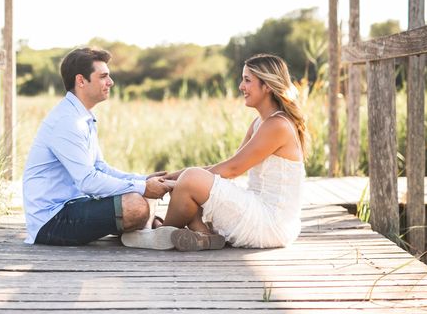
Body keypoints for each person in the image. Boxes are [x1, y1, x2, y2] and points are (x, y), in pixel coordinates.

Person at [125, 53, 307, 251]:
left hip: (270, 223)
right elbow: (224, 167)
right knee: (193, 179)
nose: (241, 86)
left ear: (268, 86)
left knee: (192, 178)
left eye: (247, 80)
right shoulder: (260, 123)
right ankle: (203, 234)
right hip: (259, 212)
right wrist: (170, 177)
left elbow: (233, 169)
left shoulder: (277, 125)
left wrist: (180, 181)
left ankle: (159, 235)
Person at [23, 47, 172, 246]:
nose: (110, 82)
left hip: (74, 205)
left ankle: (145, 228)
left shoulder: (82, 117)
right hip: (51, 221)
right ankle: (147, 228)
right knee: (135, 204)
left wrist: (143, 179)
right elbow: (88, 181)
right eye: (103, 76)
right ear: (81, 81)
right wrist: (144, 187)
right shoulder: (67, 122)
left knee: (139, 196)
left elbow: (100, 168)